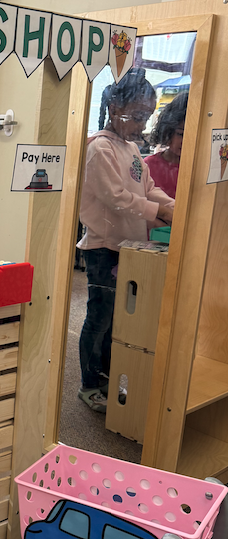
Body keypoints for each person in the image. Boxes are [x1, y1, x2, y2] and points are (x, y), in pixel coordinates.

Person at [77, 68, 175, 414]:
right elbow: (114, 196)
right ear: (114, 105)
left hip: (130, 247)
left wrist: (170, 206)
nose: (140, 125)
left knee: (120, 319)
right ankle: (89, 383)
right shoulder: (100, 148)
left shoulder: (132, 149)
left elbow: (148, 188)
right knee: (99, 317)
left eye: (145, 117)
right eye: (135, 116)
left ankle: (105, 375)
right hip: (103, 248)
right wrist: (157, 212)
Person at [143, 91, 188, 199]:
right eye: (181, 134)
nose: (186, 141)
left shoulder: (199, 168)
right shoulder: (148, 166)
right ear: (167, 131)